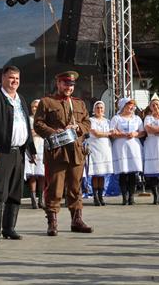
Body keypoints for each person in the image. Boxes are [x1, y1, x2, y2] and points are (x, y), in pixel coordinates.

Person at [0, 65, 36, 243]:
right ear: (3, 78)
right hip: (1, 152)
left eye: (17, 79)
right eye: (11, 78)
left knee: (15, 192)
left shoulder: (20, 99)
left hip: (18, 152)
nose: (14, 82)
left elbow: (26, 126)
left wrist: (31, 150)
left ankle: (9, 228)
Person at [34, 71, 93, 236]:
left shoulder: (79, 104)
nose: (69, 87)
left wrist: (78, 128)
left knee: (75, 188)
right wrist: (55, 131)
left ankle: (77, 220)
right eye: (66, 84)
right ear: (58, 84)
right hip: (57, 151)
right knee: (54, 188)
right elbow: (38, 124)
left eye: (72, 85)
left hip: (76, 151)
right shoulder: (47, 102)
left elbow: (87, 122)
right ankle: (52, 222)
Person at [110, 98, 146, 205]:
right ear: (123, 106)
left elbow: (142, 132)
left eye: (132, 106)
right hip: (121, 147)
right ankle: (124, 198)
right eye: (128, 105)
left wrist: (136, 134)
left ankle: (131, 197)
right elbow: (112, 132)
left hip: (134, 146)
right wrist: (123, 135)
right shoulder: (116, 118)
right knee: (123, 172)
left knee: (132, 173)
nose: (131, 108)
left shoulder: (137, 119)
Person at [86, 100, 113, 206]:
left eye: (101, 108)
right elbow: (95, 133)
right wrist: (107, 133)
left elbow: (112, 133)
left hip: (105, 148)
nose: (99, 110)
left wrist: (107, 134)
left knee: (102, 174)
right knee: (95, 174)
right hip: (94, 147)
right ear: (94, 109)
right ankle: (95, 197)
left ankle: (101, 196)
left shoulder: (107, 121)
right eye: (97, 108)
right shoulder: (90, 120)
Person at [25, 99, 45, 209]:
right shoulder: (28, 119)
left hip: (42, 147)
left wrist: (36, 132)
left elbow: (46, 131)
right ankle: (33, 200)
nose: (35, 109)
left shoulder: (44, 120)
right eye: (33, 107)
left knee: (41, 174)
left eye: (37, 107)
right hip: (32, 147)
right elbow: (29, 133)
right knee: (32, 175)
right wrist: (39, 132)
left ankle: (41, 199)